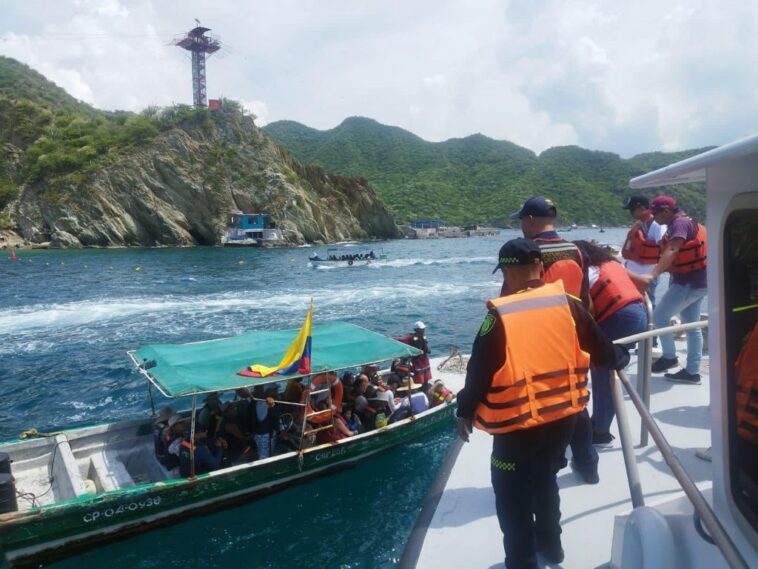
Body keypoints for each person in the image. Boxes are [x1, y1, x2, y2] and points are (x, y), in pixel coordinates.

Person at [456, 238, 628, 569]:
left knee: (512, 498)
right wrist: (624, 355)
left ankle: (522, 562)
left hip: (517, 428)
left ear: (508, 271)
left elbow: (478, 375)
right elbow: (605, 353)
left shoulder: (499, 317)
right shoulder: (570, 304)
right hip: (562, 420)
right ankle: (553, 549)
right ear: (540, 268)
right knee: (546, 481)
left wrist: (463, 412)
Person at [512, 196, 596, 478]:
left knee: (544, 401)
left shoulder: (528, 251)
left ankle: (553, 461)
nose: (521, 226)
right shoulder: (575, 250)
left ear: (531, 220)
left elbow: (514, 299)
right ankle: (587, 463)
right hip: (572, 333)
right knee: (576, 399)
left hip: (540, 340)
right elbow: (585, 298)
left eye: (522, 220)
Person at [573, 240, 648, 445]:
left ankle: (601, 430)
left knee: (602, 374)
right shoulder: (613, 264)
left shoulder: (587, 271)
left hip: (619, 319)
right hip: (640, 315)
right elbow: (642, 285)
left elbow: (587, 309)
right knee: (607, 372)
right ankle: (600, 421)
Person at [637, 196, 707, 384]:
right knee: (691, 326)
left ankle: (669, 357)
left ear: (667, 211)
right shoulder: (682, 222)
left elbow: (673, 249)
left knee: (659, 317)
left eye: (655, 213)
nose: (654, 217)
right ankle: (692, 372)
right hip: (698, 282)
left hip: (689, 283)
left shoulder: (680, 224)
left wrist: (652, 275)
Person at [621, 195, 666, 311]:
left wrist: (655, 273)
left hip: (647, 275)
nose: (630, 213)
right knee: (635, 303)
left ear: (641, 208)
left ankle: (652, 327)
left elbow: (665, 248)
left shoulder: (655, 225)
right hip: (633, 273)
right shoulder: (639, 224)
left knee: (648, 303)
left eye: (632, 210)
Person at [396, 322, 433, 389]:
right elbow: (401, 340)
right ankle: (420, 391)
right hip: (417, 363)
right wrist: (390, 338)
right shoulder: (411, 338)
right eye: (422, 329)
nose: (424, 330)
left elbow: (426, 348)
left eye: (424, 329)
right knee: (419, 381)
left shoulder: (423, 337)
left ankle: (425, 390)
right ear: (417, 330)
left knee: (426, 380)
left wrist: (428, 350)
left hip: (425, 362)